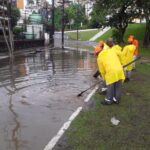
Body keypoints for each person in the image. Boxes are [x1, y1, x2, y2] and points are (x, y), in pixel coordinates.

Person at [96, 41, 125, 105]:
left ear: (97, 53)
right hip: (120, 70)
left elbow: (102, 71)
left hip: (111, 72)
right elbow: (119, 55)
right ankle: (116, 100)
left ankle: (108, 100)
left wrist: (104, 78)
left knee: (110, 87)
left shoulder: (99, 58)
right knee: (118, 87)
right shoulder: (111, 51)